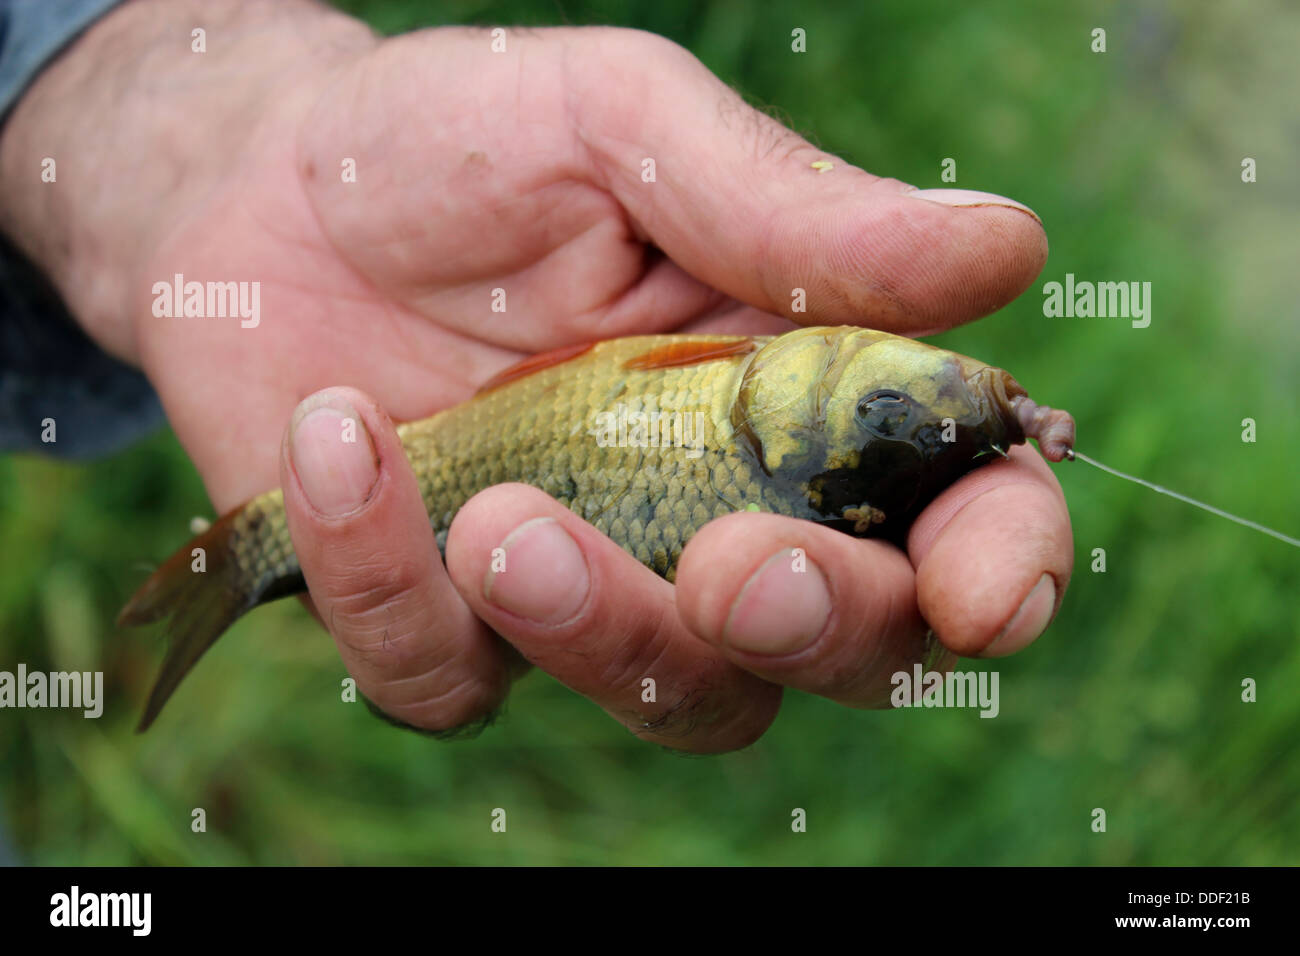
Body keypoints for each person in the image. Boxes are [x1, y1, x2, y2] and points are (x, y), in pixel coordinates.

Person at [0, 0, 1072, 752]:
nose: (941, 384)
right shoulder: (754, 364)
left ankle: (253, 556)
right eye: (909, 401)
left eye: (897, 408)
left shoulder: (756, 390)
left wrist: (168, 160)